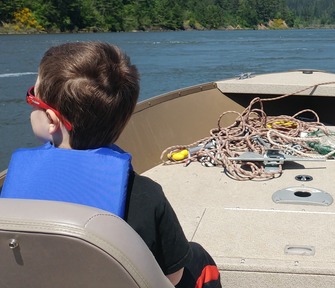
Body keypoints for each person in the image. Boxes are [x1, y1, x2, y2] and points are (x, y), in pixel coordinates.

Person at [1, 41, 221, 288]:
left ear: (52, 119)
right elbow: (174, 277)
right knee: (198, 257)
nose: (30, 103)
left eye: (33, 97)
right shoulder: (146, 196)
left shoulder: (9, 193)